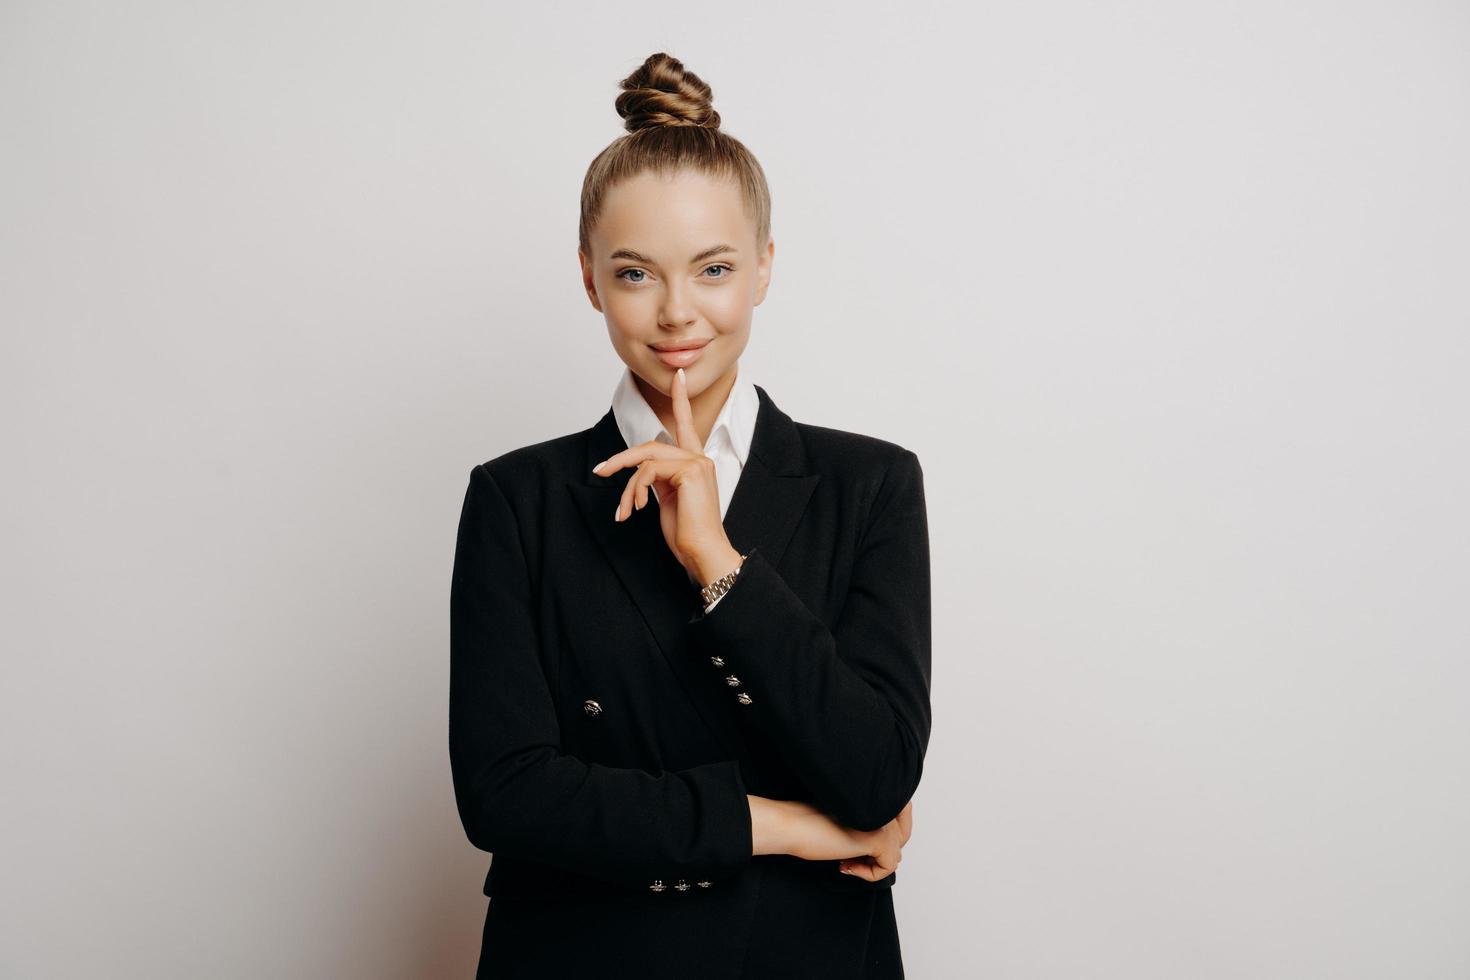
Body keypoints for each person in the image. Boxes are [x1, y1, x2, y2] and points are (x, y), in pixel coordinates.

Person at [449, 51, 932, 979]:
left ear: (763, 269)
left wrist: (716, 558)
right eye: (635, 274)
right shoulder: (518, 499)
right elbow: (506, 795)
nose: (678, 313)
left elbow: (877, 776)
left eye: (713, 268)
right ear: (590, 278)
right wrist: (779, 825)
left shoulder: (868, 485)